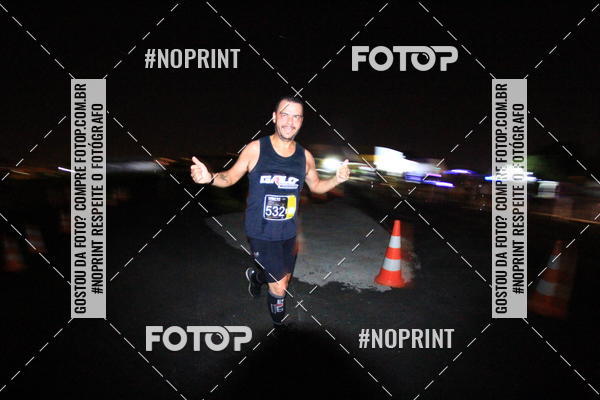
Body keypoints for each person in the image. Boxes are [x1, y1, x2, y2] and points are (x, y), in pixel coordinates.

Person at [190, 96, 350, 331]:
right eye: (285, 115)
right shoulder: (256, 149)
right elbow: (230, 177)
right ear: (274, 117)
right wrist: (211, 177)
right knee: (280, 286)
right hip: (261, 231)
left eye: (296, 117)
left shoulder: (305, 156)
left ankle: (256, 278)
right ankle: (279, 327)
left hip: (289, 231)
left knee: (284, 277)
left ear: (301, 121)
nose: (290, 122)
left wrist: (336, 179)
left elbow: (316, 186)